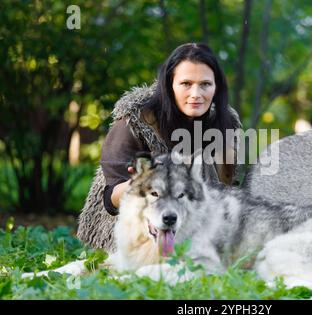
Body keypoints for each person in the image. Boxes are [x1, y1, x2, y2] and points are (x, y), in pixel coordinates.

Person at [77, 43, 242, 251]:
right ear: (169, 84)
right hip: (135, 228)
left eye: (205, 84)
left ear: (216, 87)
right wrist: (140, 184)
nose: (196, 93)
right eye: (186, 83)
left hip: (196, 221)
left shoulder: (224, 124)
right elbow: (110, 198)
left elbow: (229, 186)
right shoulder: (136, 121)